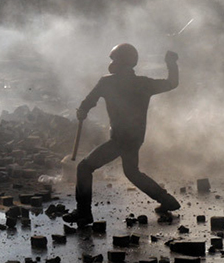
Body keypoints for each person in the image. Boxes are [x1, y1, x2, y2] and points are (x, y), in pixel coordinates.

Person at [64, 43, 180, 226]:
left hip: (119, 139)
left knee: (84, 168)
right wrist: (171, 62)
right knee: (132, 172)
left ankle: (84, 213)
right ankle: (167, 201)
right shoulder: (144, 83)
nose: (112, 63)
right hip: (135, 138)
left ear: (118, 62)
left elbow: (88, 101)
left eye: (114, 60)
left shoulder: (107, 82)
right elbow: (172, 83)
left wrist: (82, 111)